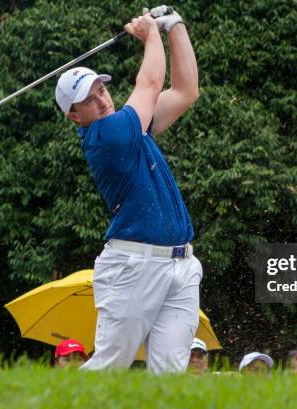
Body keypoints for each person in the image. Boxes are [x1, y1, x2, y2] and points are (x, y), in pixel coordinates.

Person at [55, 6, 200, 374]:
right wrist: (150, 33)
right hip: (134, 266)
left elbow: (185, 92)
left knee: (170, 375)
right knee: (108, 368)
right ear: (74, 116)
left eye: (102, 89)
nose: (102, 100)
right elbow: (150, 85)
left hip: (181, 265)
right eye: (89, 99)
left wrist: (174, 26)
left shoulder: (134, 127)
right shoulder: (107, 136)